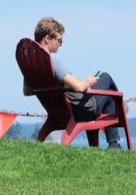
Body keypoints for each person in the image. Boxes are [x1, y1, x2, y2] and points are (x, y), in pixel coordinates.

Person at [31, 17, 123, 149]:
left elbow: (27, 91)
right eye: (59, 40)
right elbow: (79, 87)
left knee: (109, 98)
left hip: (56, 109)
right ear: (47, 39)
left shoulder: (34, 66)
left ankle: (112, 143)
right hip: (81, 109)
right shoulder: (52, 63)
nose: (60, 44)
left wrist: (61, 86)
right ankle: (114, 141)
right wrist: (89, 81)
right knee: (106, 78)